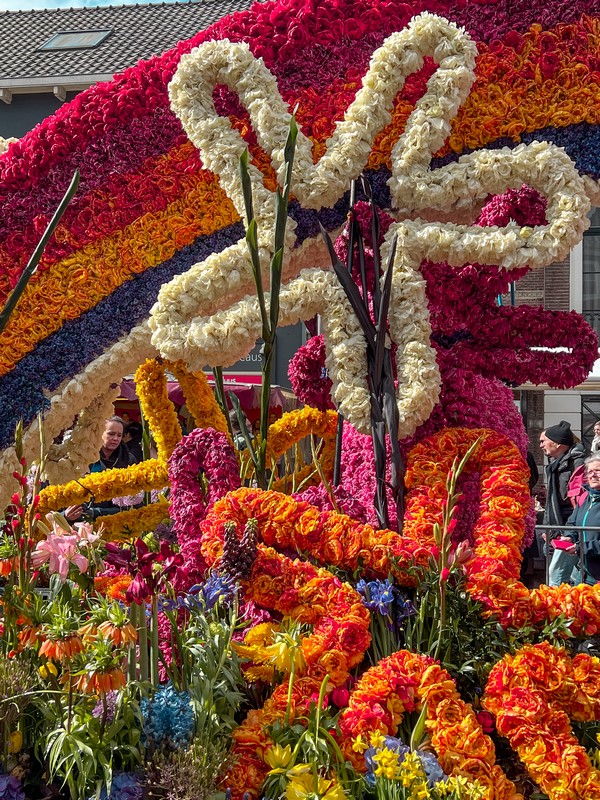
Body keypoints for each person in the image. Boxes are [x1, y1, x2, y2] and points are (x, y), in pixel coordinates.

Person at [539, 420, 586, 586]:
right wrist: (548, 527)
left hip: (570, 527)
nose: (540, 445)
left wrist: (568, 531)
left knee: (556, 574)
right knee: (572, 574)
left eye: (543, 441)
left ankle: (558, 609)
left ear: (556, 442)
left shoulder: (578, 463)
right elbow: (553, 500)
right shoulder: (554, 465)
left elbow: (579, 500)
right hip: (559, 526)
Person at [65, 416, 136, 522]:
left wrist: (97, 512)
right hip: (81, 520)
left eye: (119, 435)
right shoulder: (84, 457)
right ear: (100, 433)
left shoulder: (128, 460)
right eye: (111, 434)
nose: (115, 438)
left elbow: (132, 502)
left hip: (115, 519)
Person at [558, 455, 600, 584]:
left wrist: (582, 547)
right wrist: (569, 537)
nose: (593, 475)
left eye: (598, 471)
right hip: (582, 573)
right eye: (589, 472)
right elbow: (572, 523)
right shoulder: (586, 498)